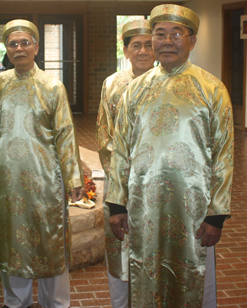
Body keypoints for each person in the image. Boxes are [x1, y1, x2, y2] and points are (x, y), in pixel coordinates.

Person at [107, 4, 233, 307]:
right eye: (160, 34)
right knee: (145, 273)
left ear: (192, 41)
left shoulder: (212, 89)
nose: (167, 41)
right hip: (142, 204)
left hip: (194, 207)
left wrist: (217, 214)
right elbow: (120, 149)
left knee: (195, 280)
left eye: (177, 33)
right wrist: (116, 203)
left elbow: (224, 154)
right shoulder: (134, 91)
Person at [0, 19, 84, 308]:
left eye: (25, 42)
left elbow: (66, 134)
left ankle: (55, 303)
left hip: (46, 181)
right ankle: (15, 301)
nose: (19, 48)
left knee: (50, 244)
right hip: (7, 180)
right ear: (6, 49)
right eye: (12, 44)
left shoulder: (52, 86)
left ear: (36, 46)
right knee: (13, 245)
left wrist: (73, 179)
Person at [96, 19, 155, 308]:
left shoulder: (169, 82)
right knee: (120, 250)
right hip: (120, 183)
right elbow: (104, 136)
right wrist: (123, 178)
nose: (143, 51)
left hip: (158, 184)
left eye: (148, 44)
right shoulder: (113, 84)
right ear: (125, 49)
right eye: (136, 45)